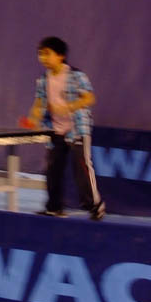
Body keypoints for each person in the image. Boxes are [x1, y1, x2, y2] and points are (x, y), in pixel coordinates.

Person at [26, 36, 105, 220]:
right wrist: (33, 119)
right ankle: (54, 207)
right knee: (52, 170)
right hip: (55, 130)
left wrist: (68, 107)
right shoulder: (43, 80)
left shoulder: (77, 76)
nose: (43, 58)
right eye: (40, 54)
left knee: (82, 168)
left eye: (47, 54)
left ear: (60, 55)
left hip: (77, 129)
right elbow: (39, 103)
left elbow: (89, 98)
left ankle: (96, 206)